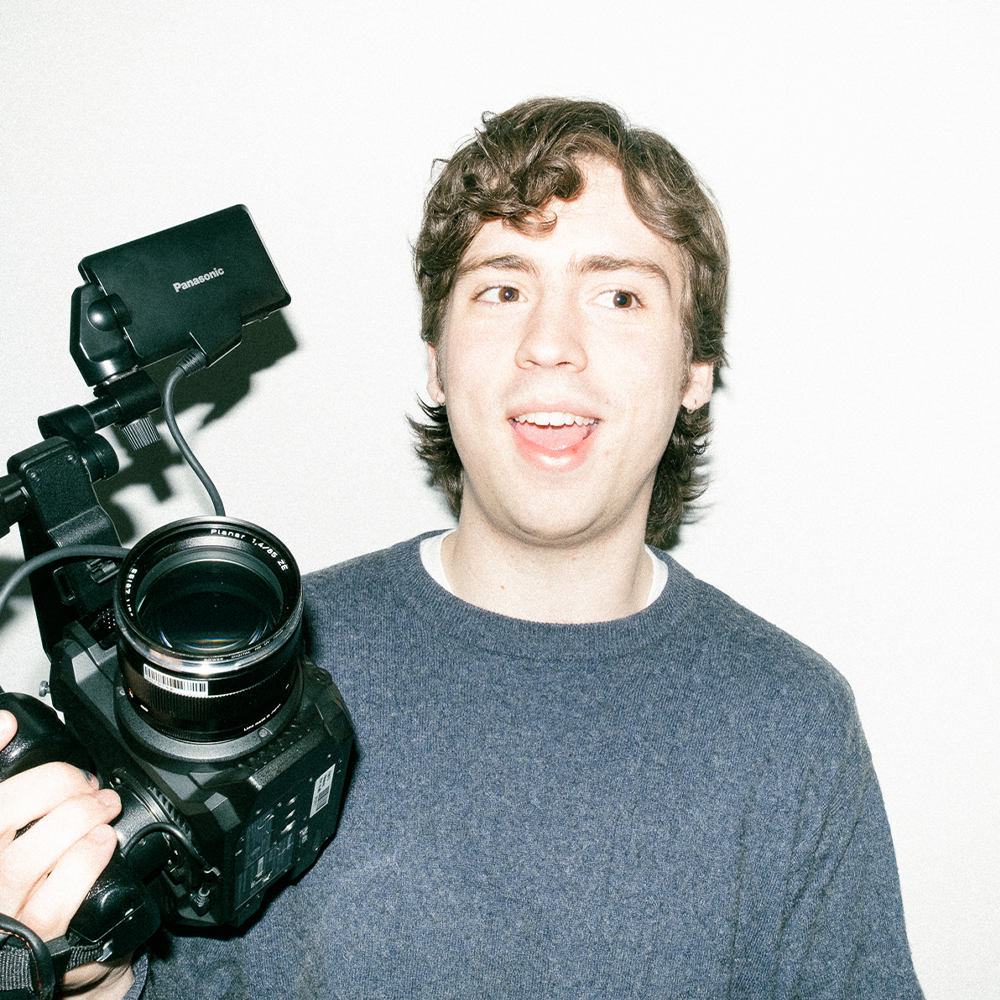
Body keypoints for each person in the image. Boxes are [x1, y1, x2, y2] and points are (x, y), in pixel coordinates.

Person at [0, 98, 923, 998]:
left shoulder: (792, 722)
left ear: (694, 372)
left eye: (619, 295)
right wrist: (84, 978)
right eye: (503, 289)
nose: (550, 345)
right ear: (438, 361)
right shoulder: (245, 667)